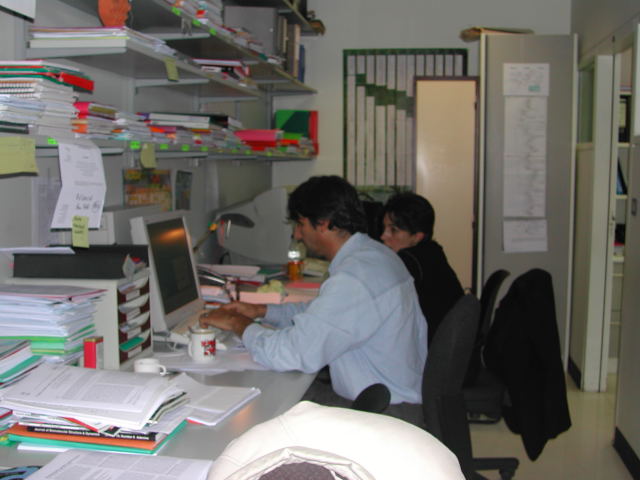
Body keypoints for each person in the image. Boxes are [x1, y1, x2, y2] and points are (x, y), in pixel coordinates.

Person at [200, 175, 427, 421]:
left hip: (385, 414)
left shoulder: (355, 278)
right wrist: (263, 311)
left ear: (324, 223)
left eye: (301, 224)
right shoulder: (375, 255)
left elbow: (293, 353)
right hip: (387, 398)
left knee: (263, 405)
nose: (297, 234)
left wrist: (238, 324)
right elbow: (324, 314)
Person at [381, 192, 464, 345]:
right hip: (443, 344)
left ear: (417, 236)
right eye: (385, 228)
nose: (384, 236)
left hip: (429, 347)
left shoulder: (409, 261)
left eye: (393, 230)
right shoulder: (432, 252)